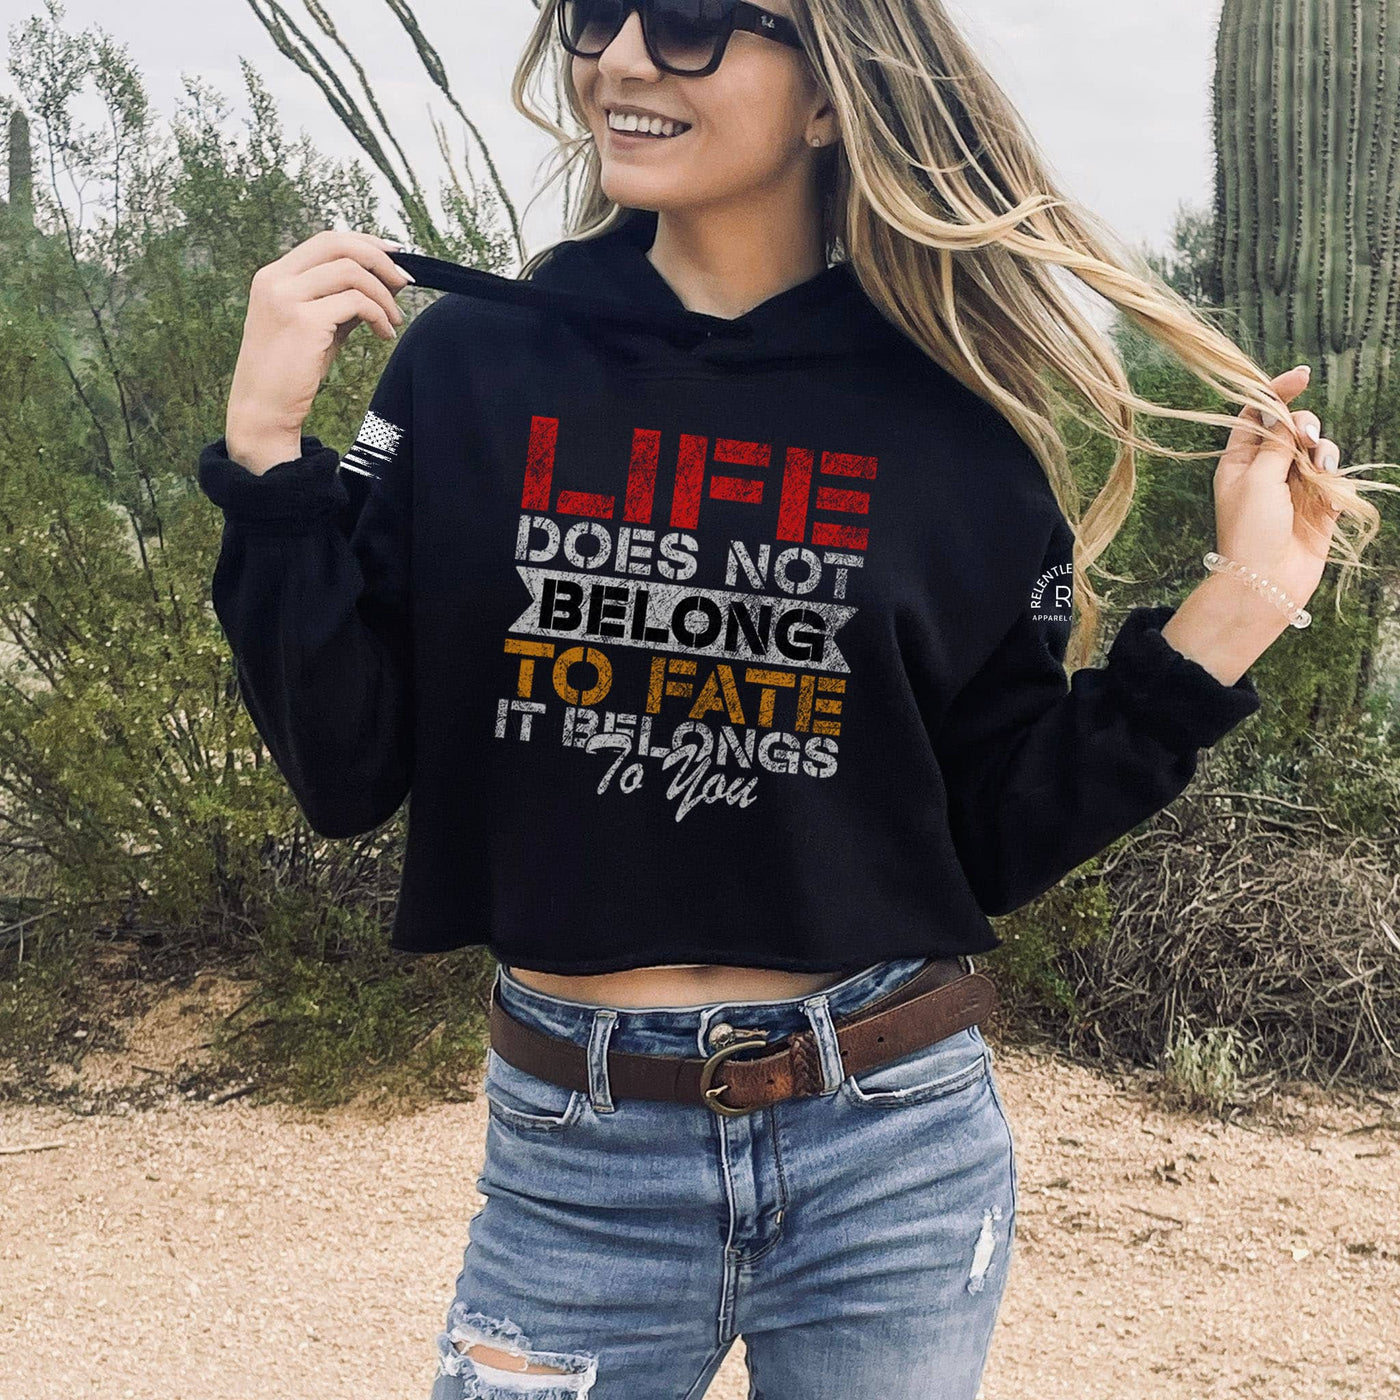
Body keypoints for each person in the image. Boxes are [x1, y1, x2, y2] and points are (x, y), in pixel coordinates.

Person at [196, 0, 1356, 1395]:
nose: (622, 56)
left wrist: (1237, 613)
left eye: (691, 21)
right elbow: (345, 768)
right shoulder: (474, 364)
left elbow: (988, 841)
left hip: (893, 1150)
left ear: (826, 98)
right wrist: (267, 460)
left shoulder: (959, 413)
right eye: (597, 13)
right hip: (579, 1161)